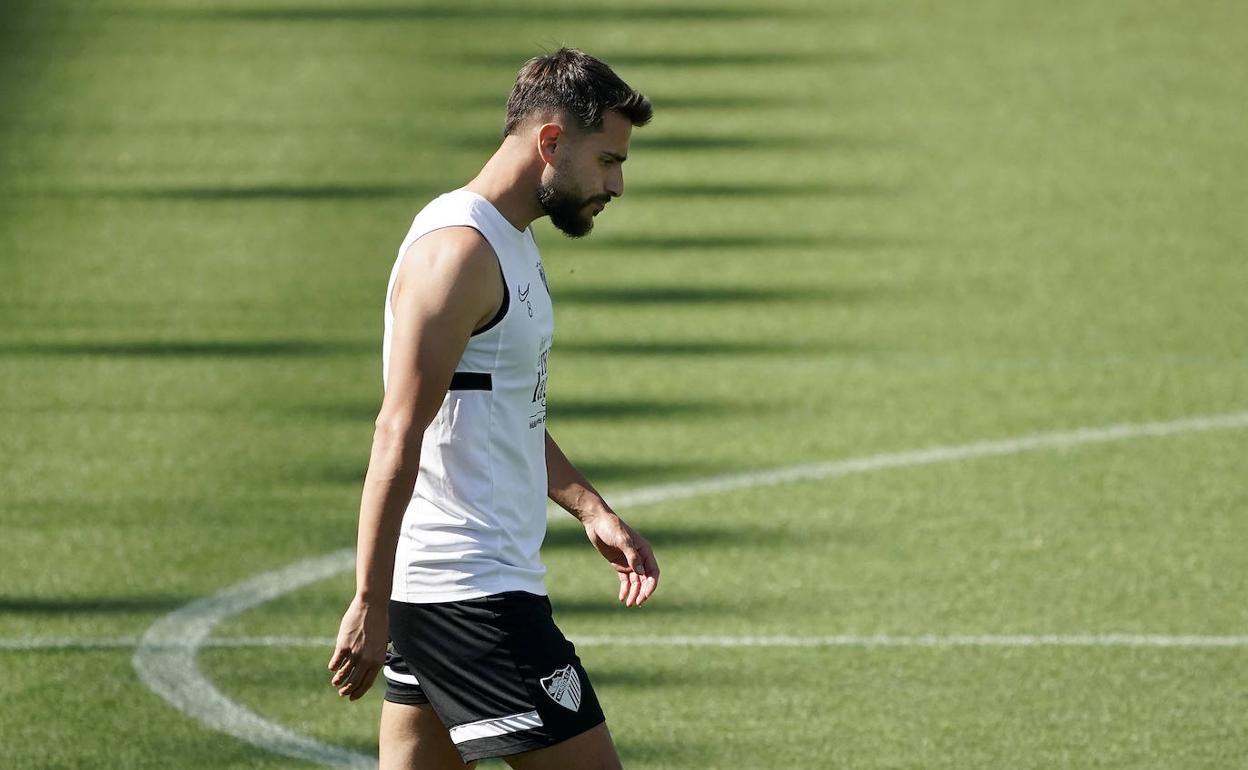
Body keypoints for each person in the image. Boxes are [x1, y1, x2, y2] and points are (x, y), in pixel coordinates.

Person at [327, 48, 660, 770]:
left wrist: (591, 509)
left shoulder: (507, 242)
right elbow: (397, 429)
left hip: (454, 594)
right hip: (473, 597)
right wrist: (368, 600)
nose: (618, 183)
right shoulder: (460, 254)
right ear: (549, 142)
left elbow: (510, 409)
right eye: (606, 160)